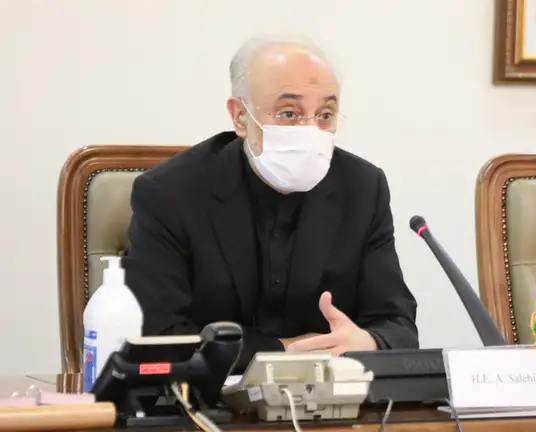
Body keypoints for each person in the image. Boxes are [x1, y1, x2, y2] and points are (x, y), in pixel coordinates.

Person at [123, 35, 419, 372]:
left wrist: (368, 343)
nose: (310, 130)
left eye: (325, 114)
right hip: (206, 398)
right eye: (289, 113)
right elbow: (158, 337)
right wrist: (283, 351)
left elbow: (397, 325)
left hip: (329, 398)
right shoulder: (170, 193)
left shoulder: (362, 188)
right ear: (240, 116)